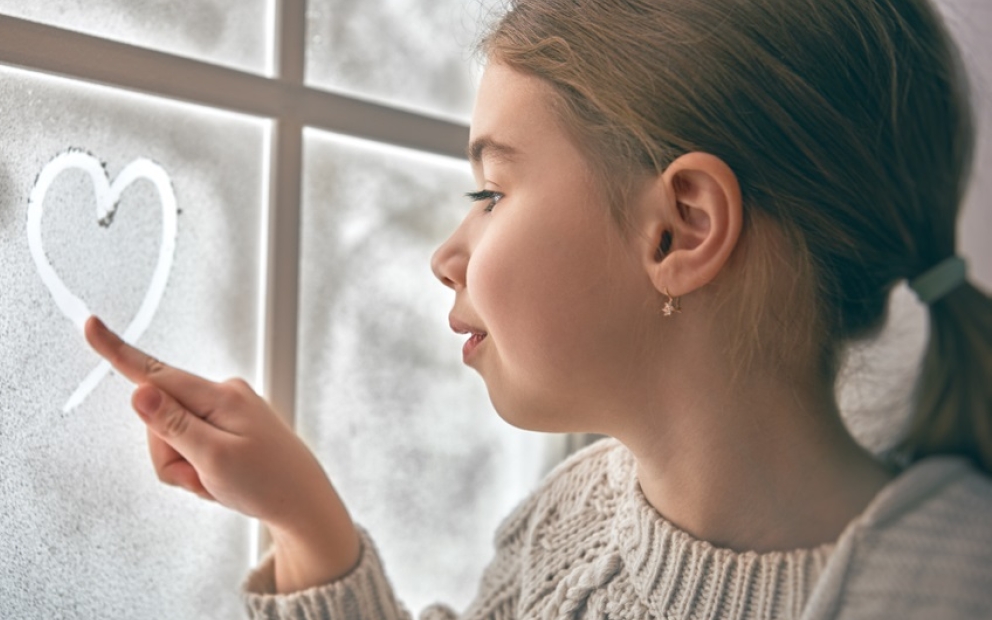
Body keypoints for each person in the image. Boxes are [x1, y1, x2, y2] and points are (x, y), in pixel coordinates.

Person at [85, 0, 992, 617]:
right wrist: (304, 521)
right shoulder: (574, 526)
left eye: (492, 194)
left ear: (680, 230)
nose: (447, 255)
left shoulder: (948, 587)